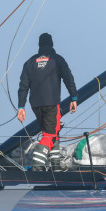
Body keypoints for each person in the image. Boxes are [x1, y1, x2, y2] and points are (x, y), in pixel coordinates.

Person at [17, 33, 77, 171]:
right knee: (49, 134)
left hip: (35, 105)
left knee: (52, 130)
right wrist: (74, 97)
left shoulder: (30, 62)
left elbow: (23, 86)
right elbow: (68, 78)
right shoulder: (57, 59)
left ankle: (55, 165)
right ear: (52, 44)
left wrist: (21, 106)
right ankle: (37, 166)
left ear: (39, 45)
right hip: (51, 103)